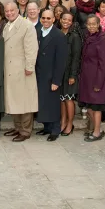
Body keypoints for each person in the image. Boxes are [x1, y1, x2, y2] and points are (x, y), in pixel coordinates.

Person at [2, 3, 38, 142]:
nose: (9, 13)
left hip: (22, 69)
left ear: (18, 11)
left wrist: (29, 66)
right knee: (13, 100)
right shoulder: (6, 26)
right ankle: (17, 127)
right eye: (7, 11)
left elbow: (31, 48)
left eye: (12, 10)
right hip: (10, 69)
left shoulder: (26, 25)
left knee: (25, 101)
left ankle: (26, 130)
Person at [79, 15, 105, 141]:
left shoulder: (102, 39)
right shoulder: (88, 37)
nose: (91, 26)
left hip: (97, 78)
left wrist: (99, 83)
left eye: (94, 24)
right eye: (89, 24)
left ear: (99, 24)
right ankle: (97, 128)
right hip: (87, 78)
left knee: (96, 107)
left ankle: (97, 132)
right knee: (89, 107)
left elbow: (103, 62)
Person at [35, 9, 67, 141]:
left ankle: (55, 129)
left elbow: (61, 60)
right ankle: (46, 127)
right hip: (39, 74)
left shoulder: (59, 35)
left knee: (52, 103)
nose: (46, 20)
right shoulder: (37, 32)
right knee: (42, 102)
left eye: (49, 18)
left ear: (54, 19)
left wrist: (56, 80)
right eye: (43, 18)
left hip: (51, 75)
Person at [59, 12, 82, 136]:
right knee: (61, 99)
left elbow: (76, 57)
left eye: (69, 20)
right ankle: (62, 121)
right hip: (59, 73)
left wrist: (73, 75)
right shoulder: (57, 34)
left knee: (69, 99)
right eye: (64, 19)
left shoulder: (74, 37)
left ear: (72, 22)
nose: (66, 21)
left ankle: (69, 124)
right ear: (60, 19)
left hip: (70, 74)